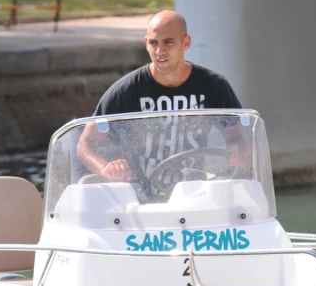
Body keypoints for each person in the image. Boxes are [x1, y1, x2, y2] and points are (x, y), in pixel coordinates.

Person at [76, 10, 245, 186]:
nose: (159, 51)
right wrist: (105, 168)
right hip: (138, 197)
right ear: (146, 43)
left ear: (186, 42)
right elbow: (85, 143)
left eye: (168, 42)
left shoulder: (213, 86)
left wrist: (237, 150)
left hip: (194, 193)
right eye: (153, 43)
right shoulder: (125, 91)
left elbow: (236, 136)